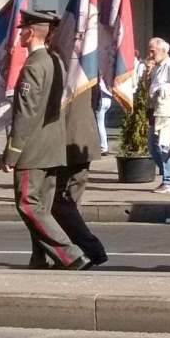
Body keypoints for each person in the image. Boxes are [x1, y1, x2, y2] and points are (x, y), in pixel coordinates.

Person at [0, 9, 89, 270]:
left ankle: (69, 253)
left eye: (22, 30)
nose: (20, 35)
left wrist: (12, 151)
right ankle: (42, 257)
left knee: (28, 204)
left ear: (29, 32)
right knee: (42, 207)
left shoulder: (33, 66)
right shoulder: (56, 62)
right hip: (52, 147)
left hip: (33, 148)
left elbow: (26, 114)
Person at [49, 67, 108, 268]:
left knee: (58, 203)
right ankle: (75, 253)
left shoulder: (63, 67)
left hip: (67, 142)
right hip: (85, 140)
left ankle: (90, 250)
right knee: (70, 203)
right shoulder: (86, 66)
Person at [146, 37, 170, 194]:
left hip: (168, 112)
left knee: (164, 145)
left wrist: (162, 91)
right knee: (152, 146)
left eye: (152, 51)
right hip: (157, 111)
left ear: (163, 50)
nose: (150, 54)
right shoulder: (158, 66)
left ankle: (168, 181)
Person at [95, 77, 112, 155]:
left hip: (101, 99)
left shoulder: (97, 78)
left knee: (99, 124)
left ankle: (103, 147)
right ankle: (103, 145)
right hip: (108, 98)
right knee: (101, 124)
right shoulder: (105, 77)